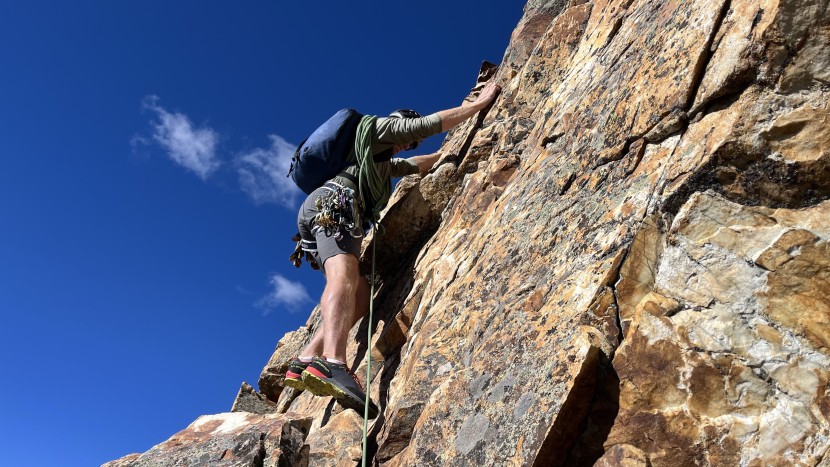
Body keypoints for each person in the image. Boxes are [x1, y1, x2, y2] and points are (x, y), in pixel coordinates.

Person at [285, 82, 501, 417]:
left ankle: (306, 358)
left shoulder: (379, 164)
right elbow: (427, 125)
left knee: (360, 293)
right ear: (397, 121)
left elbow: (415, 164)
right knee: (343, 278)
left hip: (332, 210)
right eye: (406, 136)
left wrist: (448, 153)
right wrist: (478, 105)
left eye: (410, 144)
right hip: (334, 205)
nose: (406, 144)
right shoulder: (377, 129)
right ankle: (334, 362)